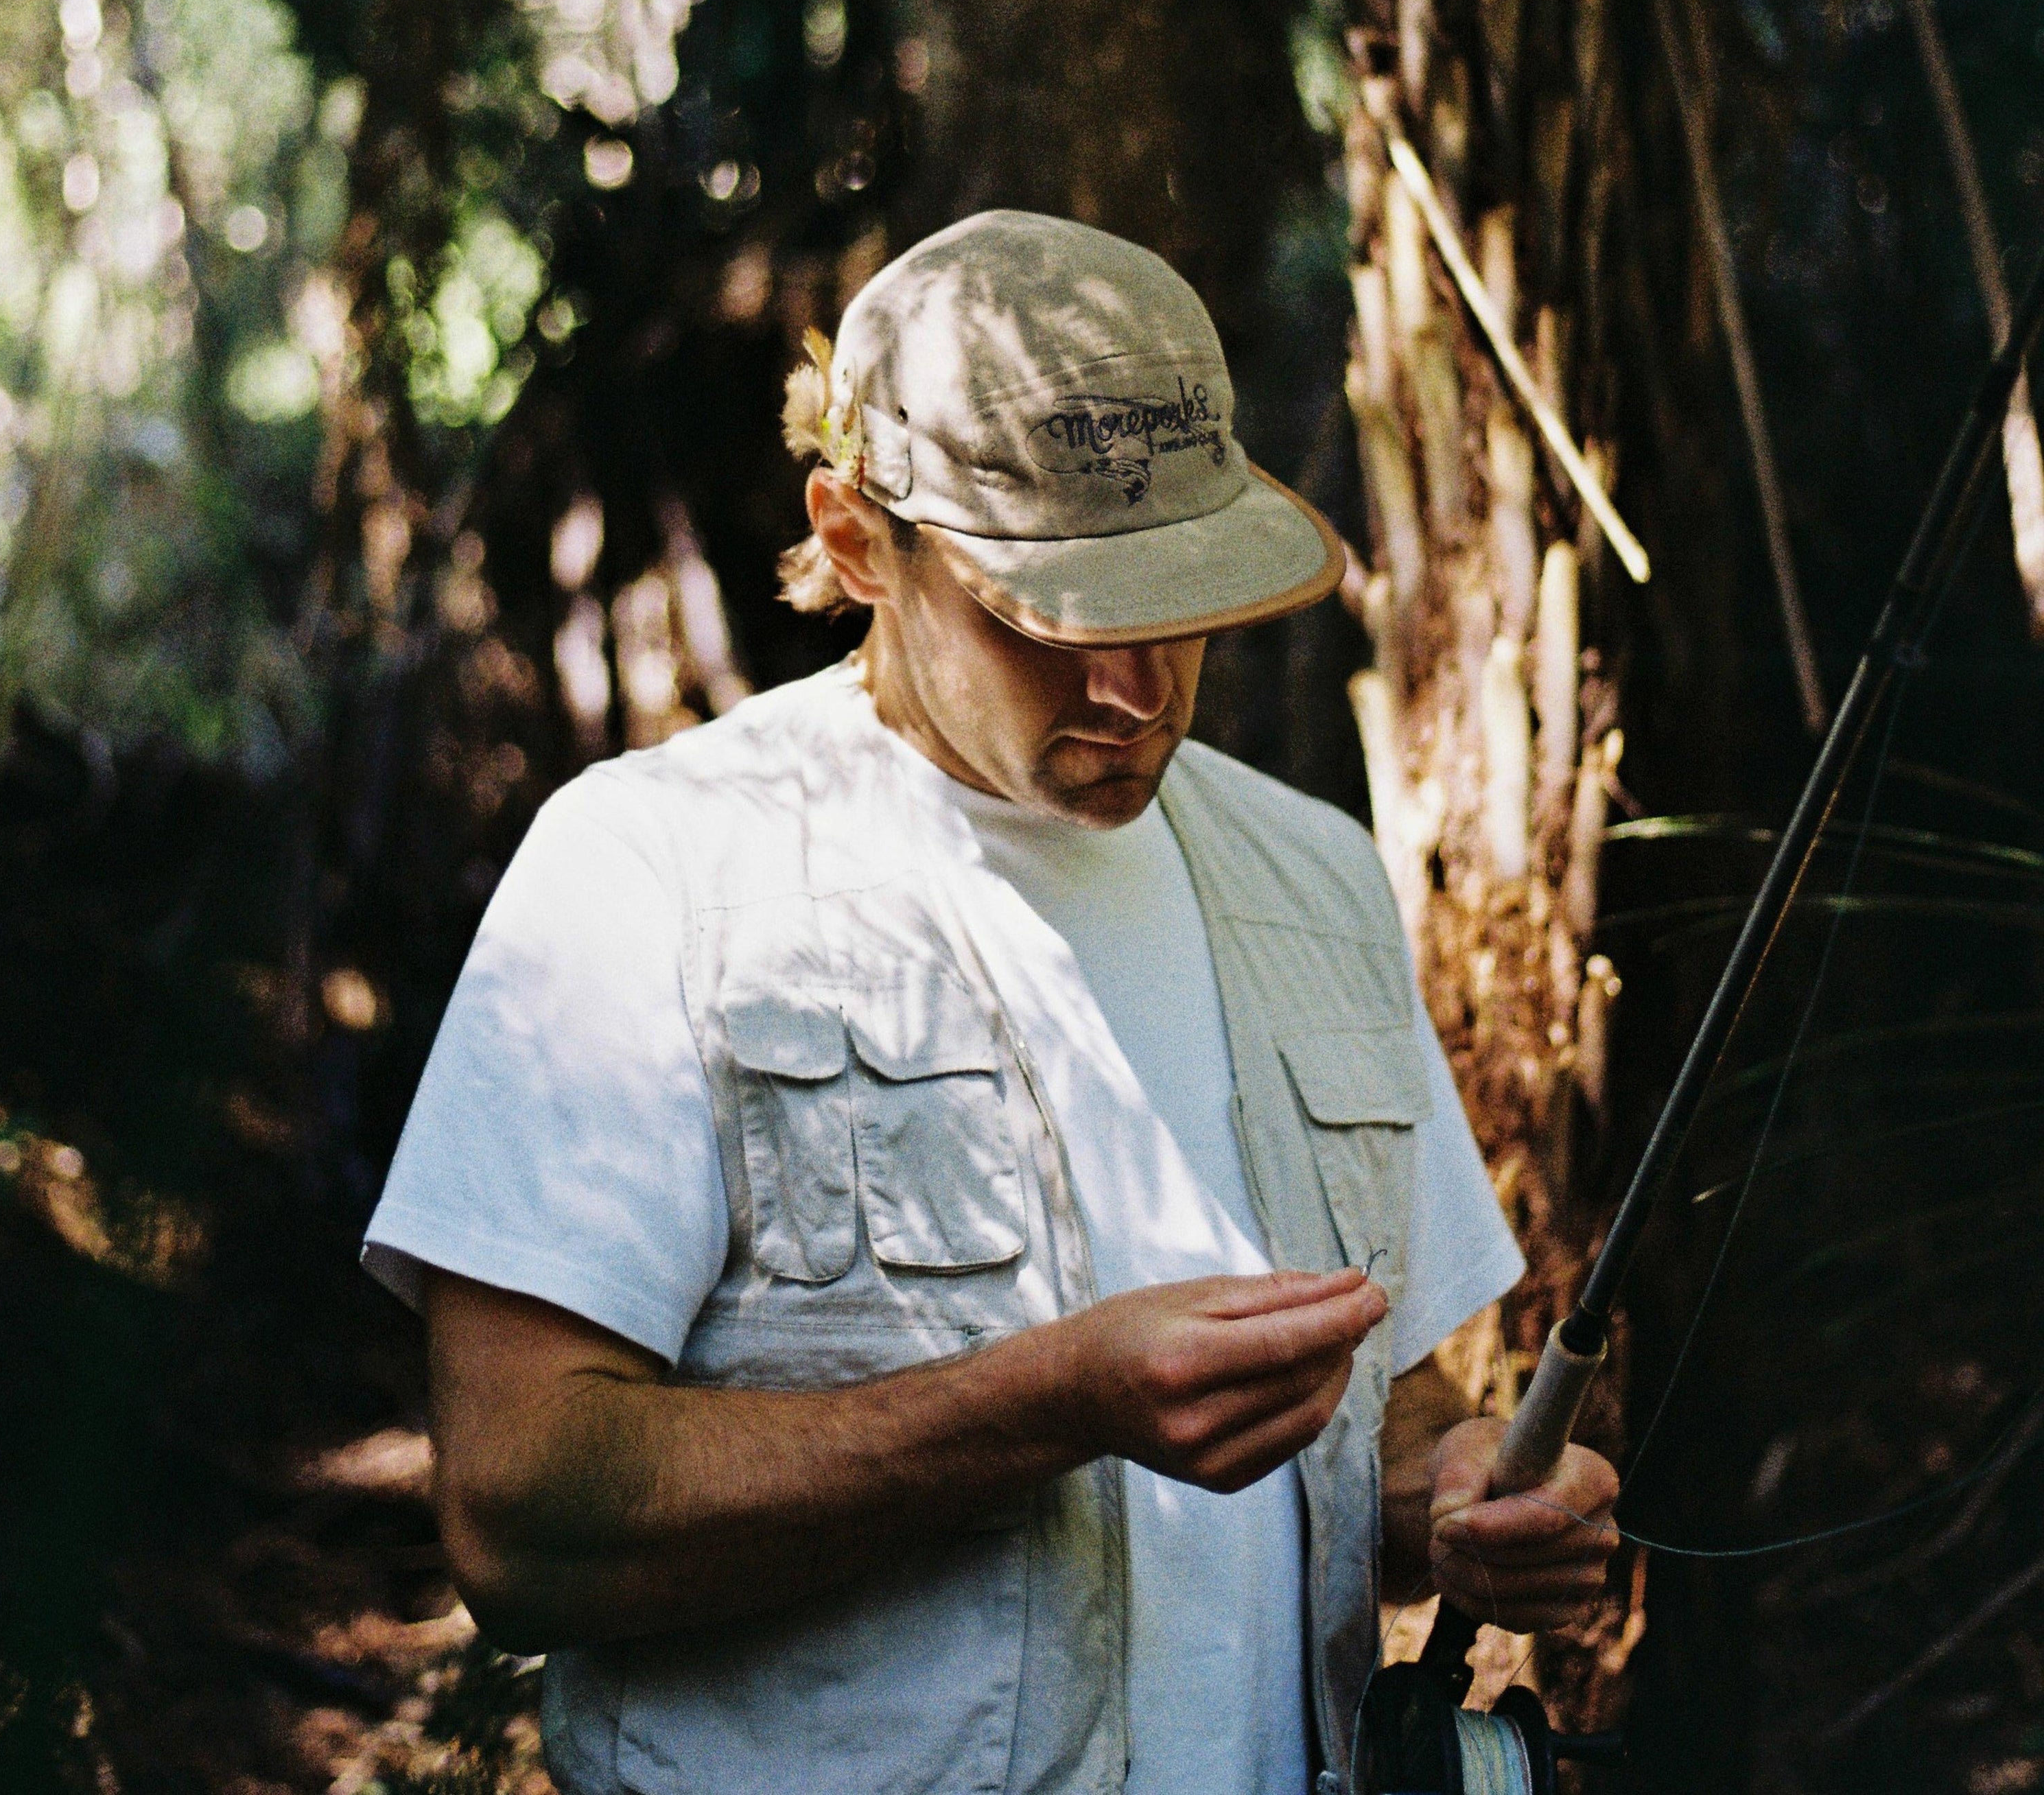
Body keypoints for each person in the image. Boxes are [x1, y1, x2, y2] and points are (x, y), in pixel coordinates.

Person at [364, 210, 1619, 1795]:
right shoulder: (651, 873)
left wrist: (1459, 1498)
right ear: (859, 536)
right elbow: (521, 1514)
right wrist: (1043, 1409)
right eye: (1051, 617)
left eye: (1180, 602)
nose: (1137, 688)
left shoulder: (1315, 878)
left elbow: (1388, 1406)